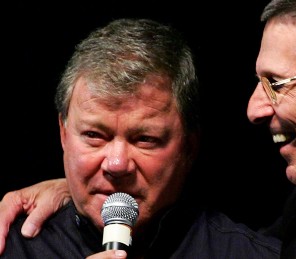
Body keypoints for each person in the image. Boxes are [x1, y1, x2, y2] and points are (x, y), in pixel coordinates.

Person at [1, 0, 296, 258]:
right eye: (94, 137)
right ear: (63, 134)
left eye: (275, 84)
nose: (254, 109)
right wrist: (79, 184)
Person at [0, 18, 281, 258]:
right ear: (63, 134)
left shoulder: (250, 254)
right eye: (94, 135)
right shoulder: (10, 246)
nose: (117, 163)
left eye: (145, 139)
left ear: (189, 146)